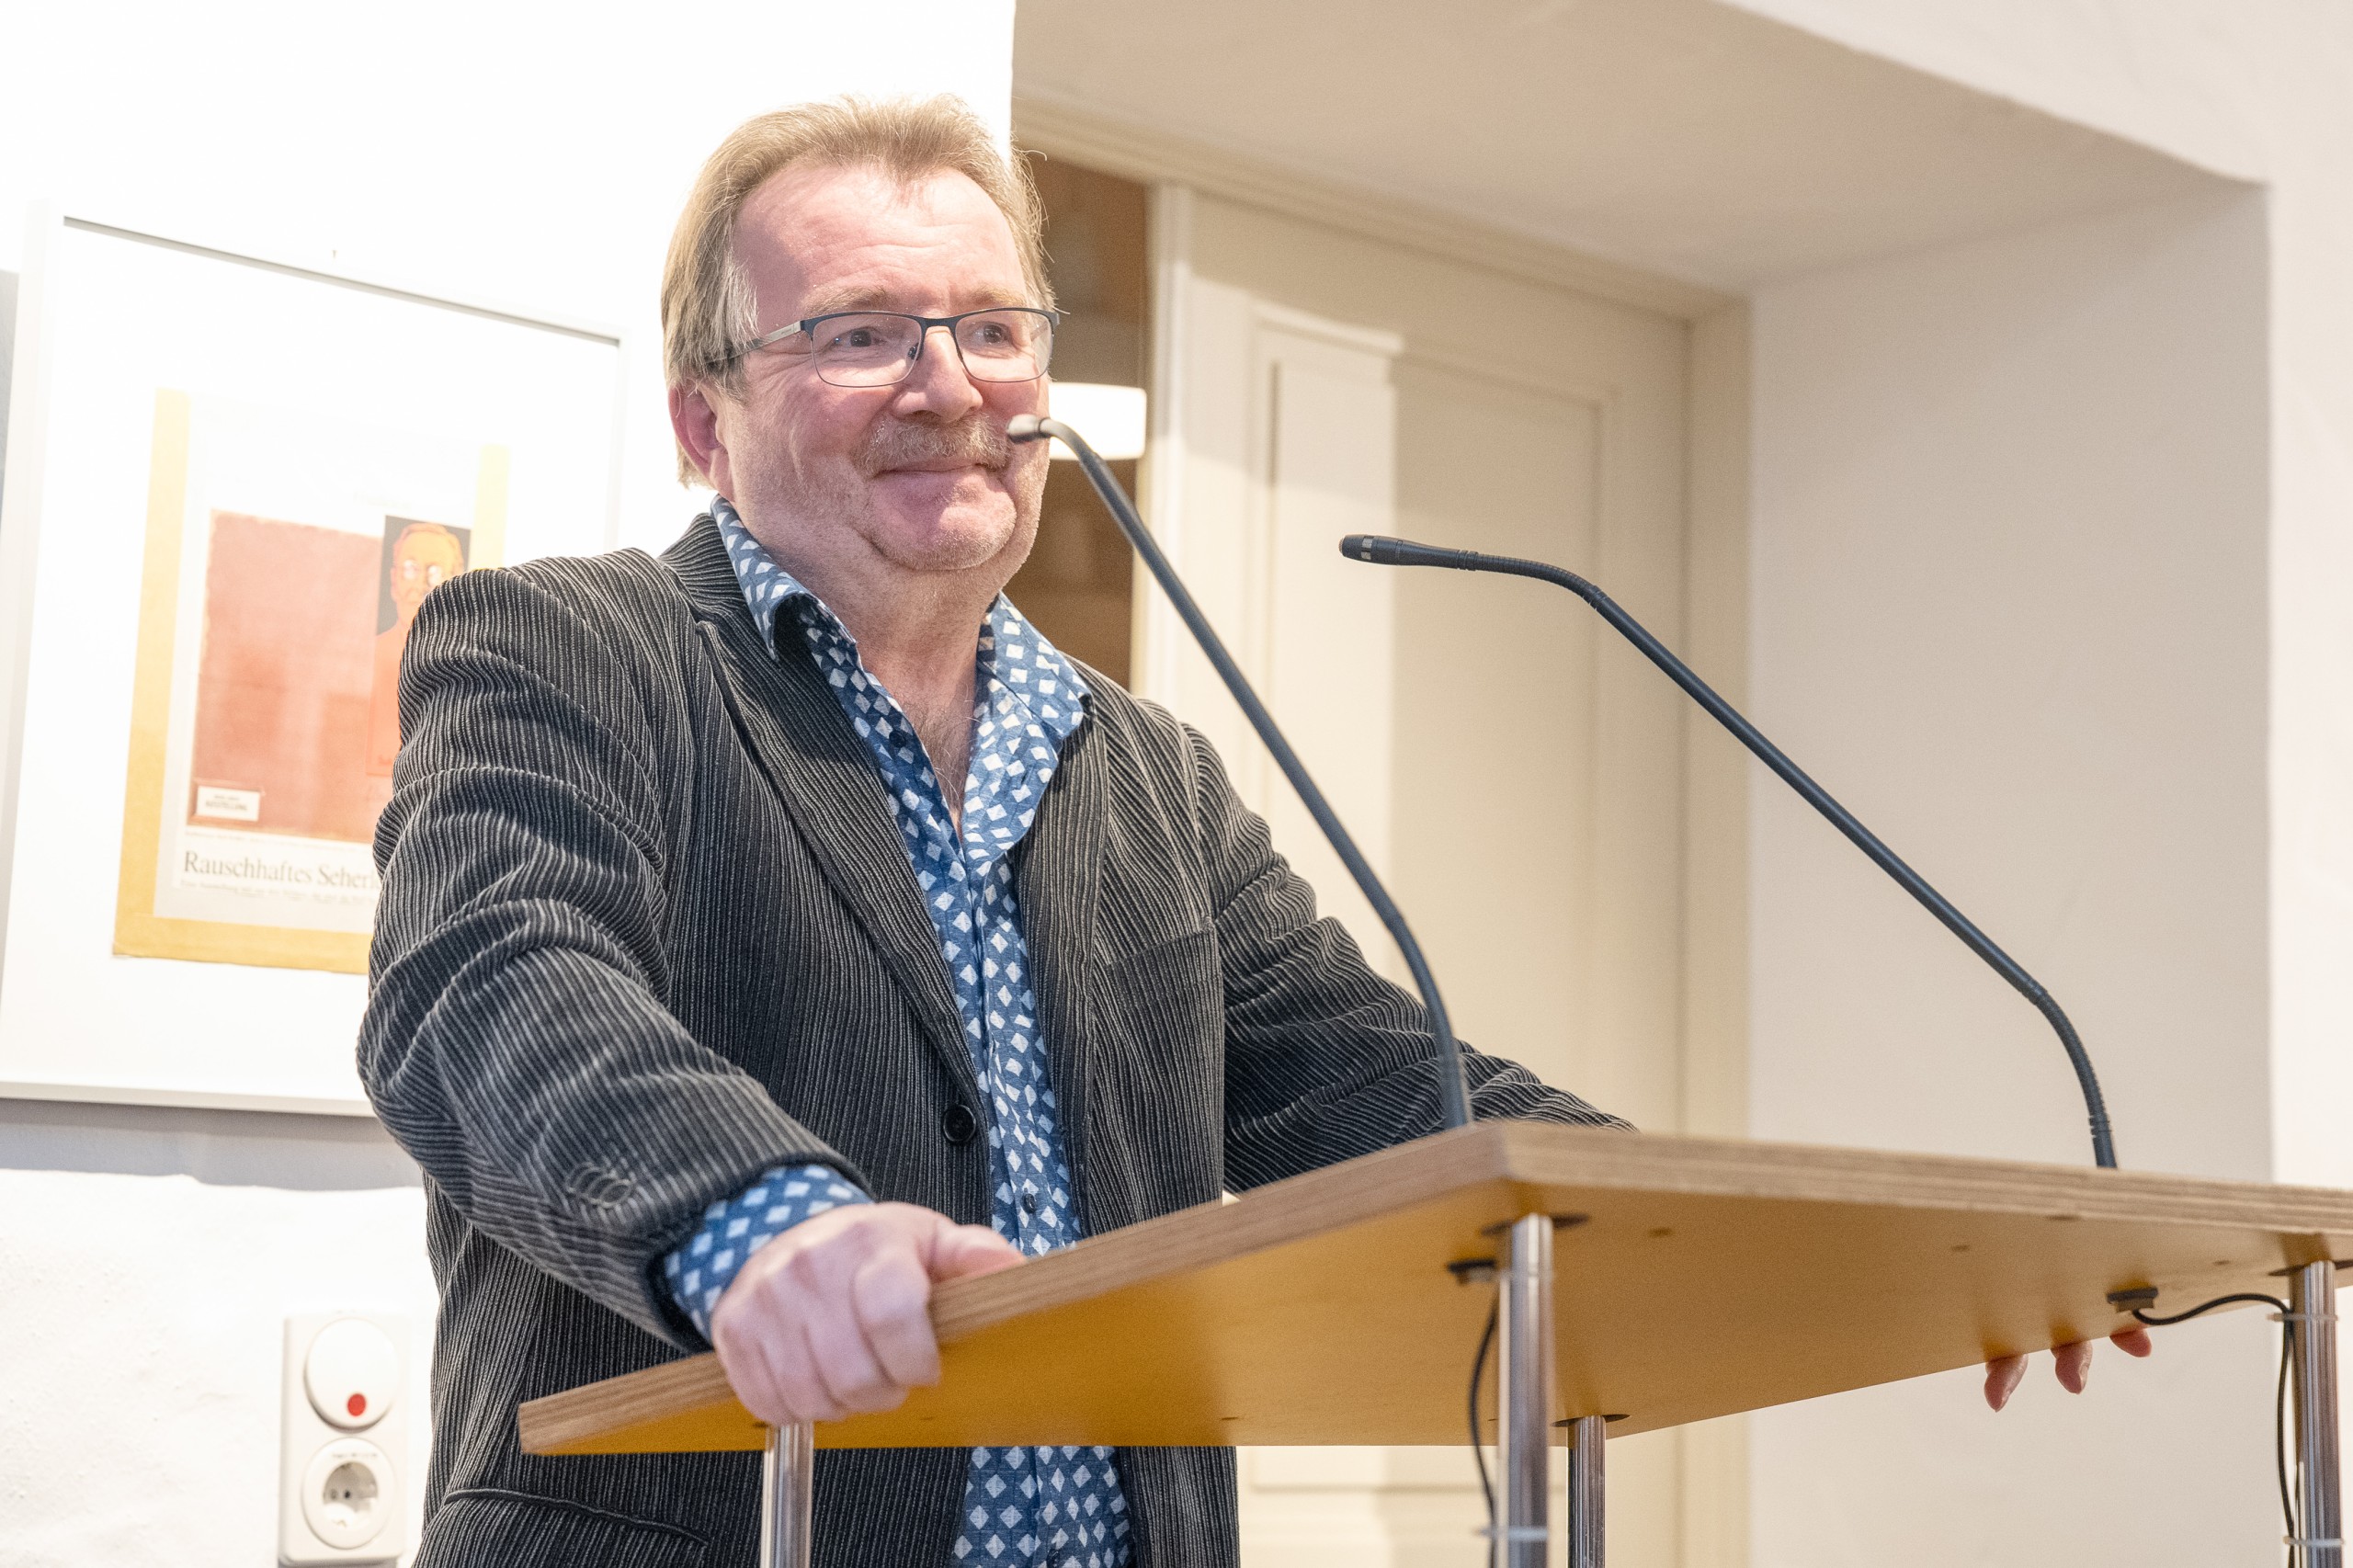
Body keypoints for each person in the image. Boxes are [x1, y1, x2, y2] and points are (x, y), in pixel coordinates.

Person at [359, 96, 2139, 1568]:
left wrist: (1857, 1254)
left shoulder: (1142, 766)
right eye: (858, 332)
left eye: (993, 327)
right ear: (704, 420)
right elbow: (492, 982)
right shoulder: (565, 646)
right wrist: (758, 1223)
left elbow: (1387, 1094)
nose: (949, 382)